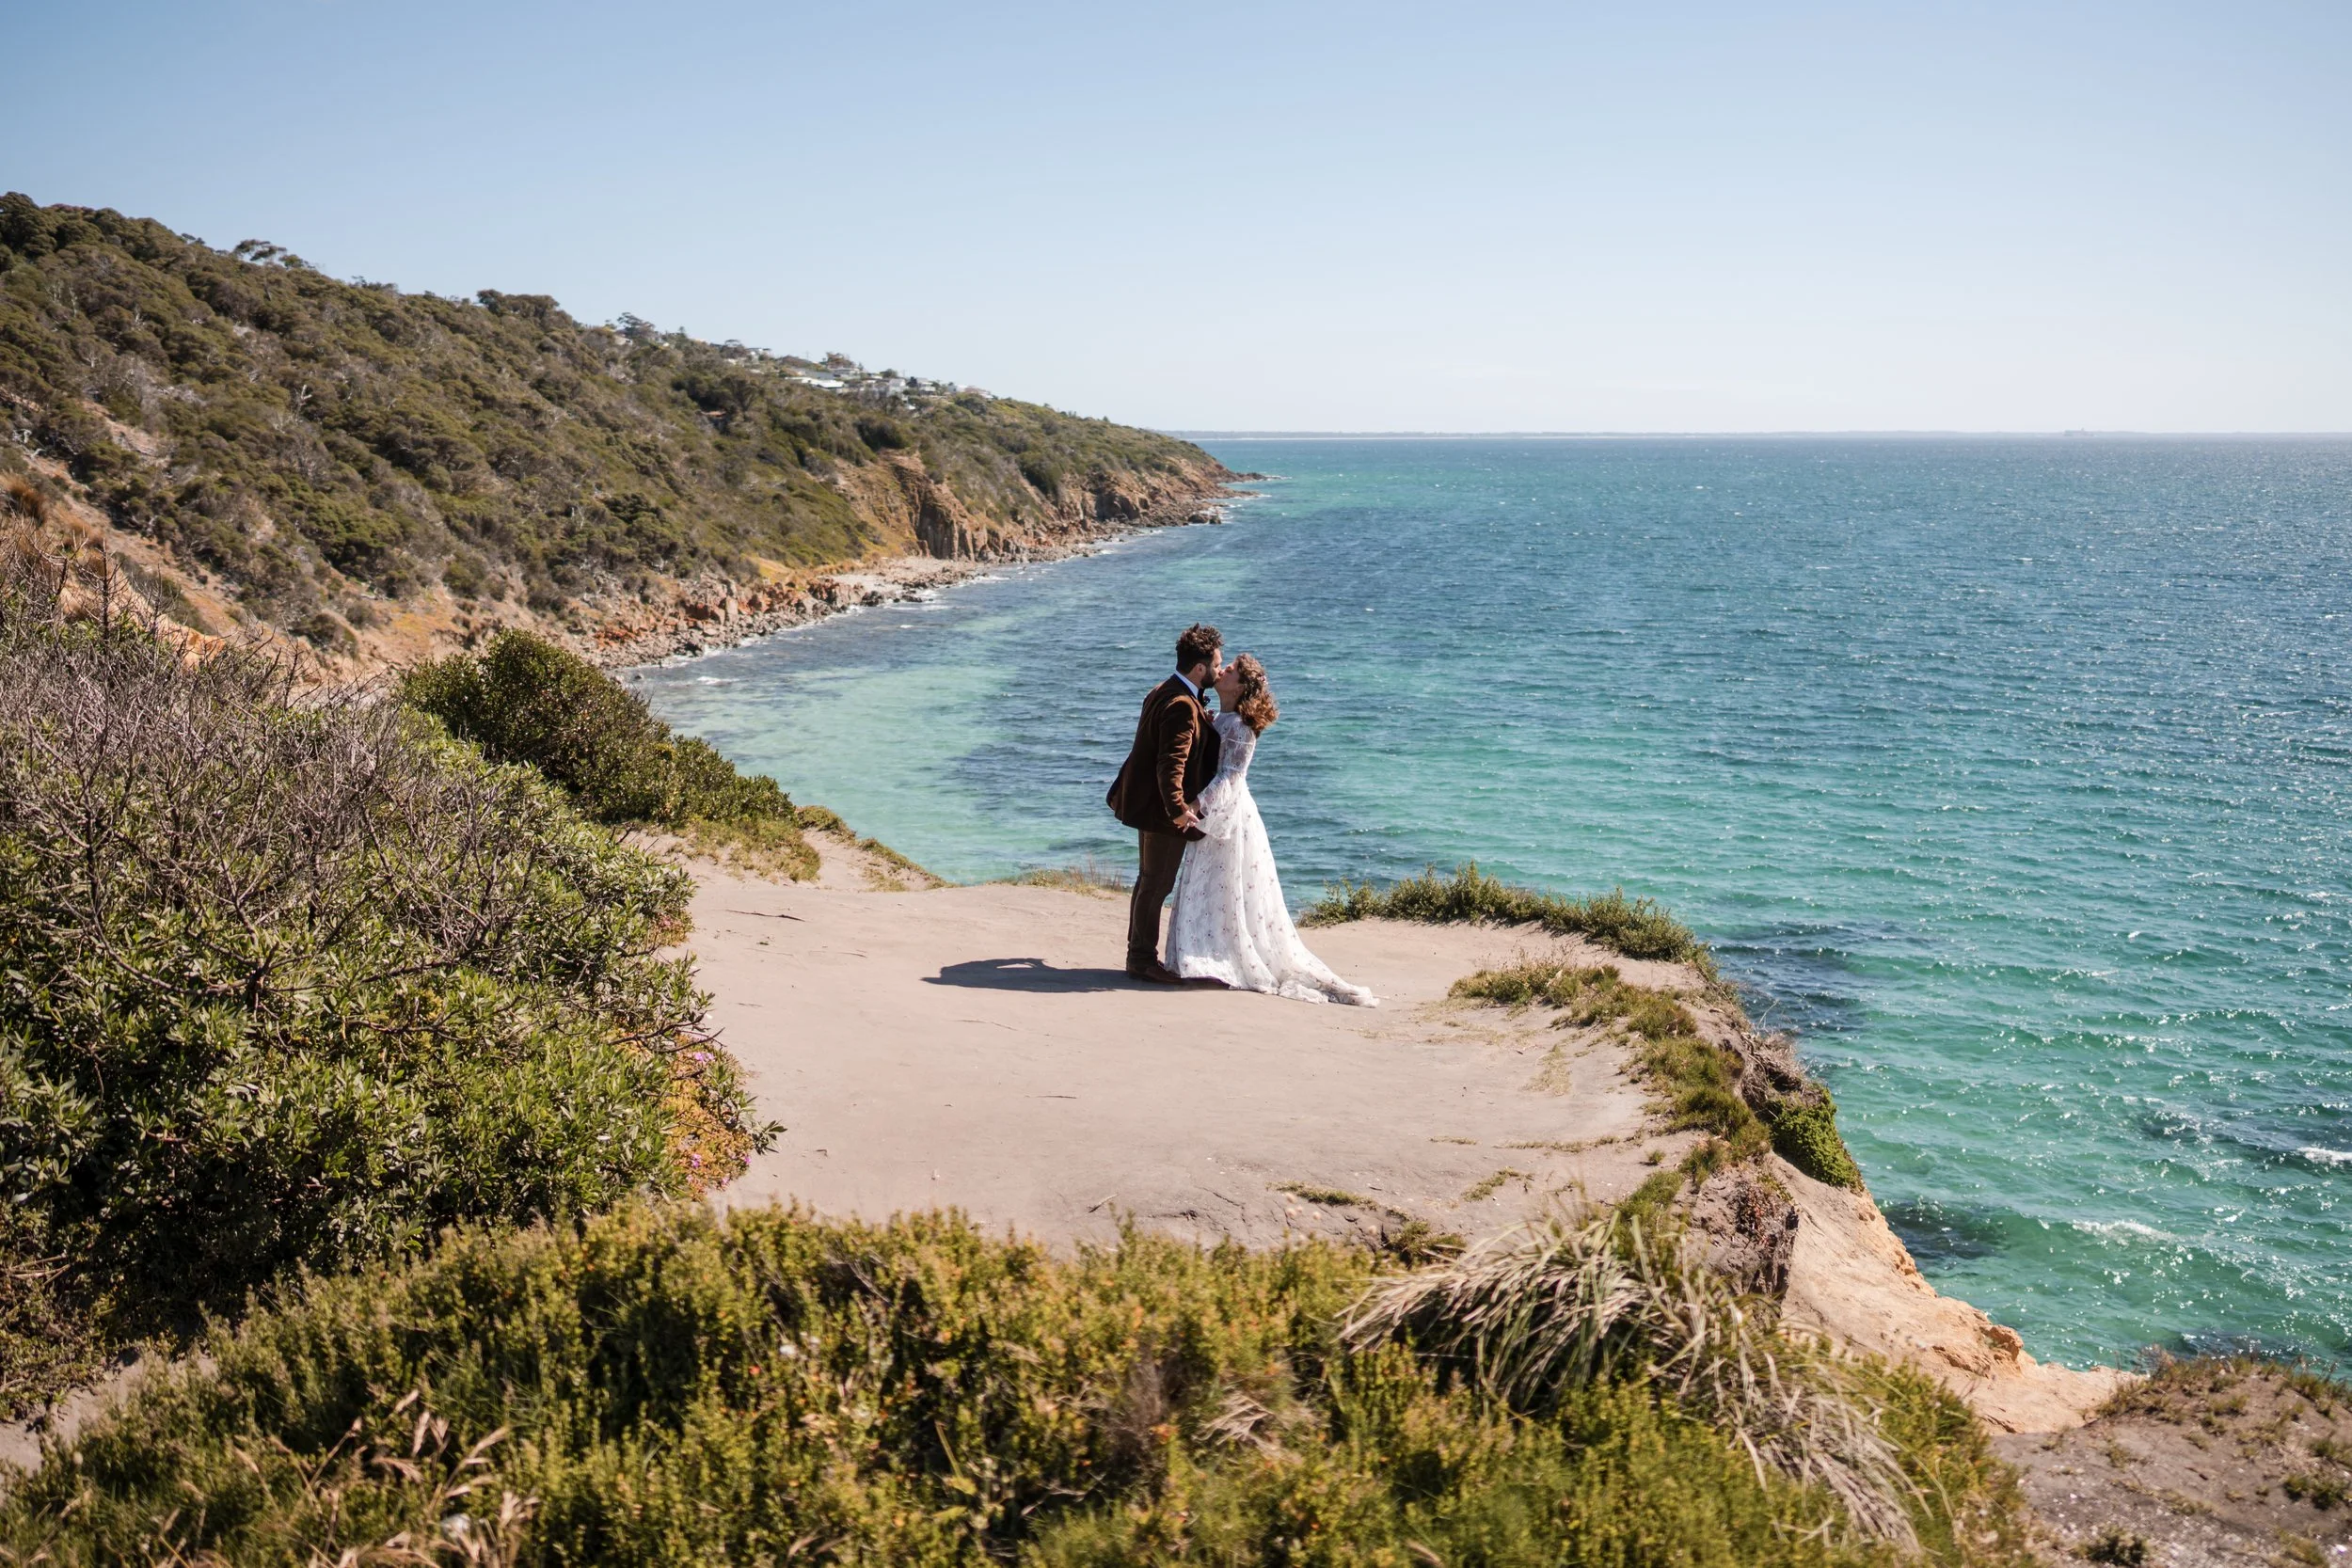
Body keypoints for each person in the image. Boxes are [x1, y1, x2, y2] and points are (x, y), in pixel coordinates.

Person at [1165, 655, 1377, 1006]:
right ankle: (1206, 955)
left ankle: (1221, 960)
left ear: (1242, 686)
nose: (1224, 670)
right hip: (1215, 814)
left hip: (1229, 816)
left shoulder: (1241, 728)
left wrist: (1195, 807)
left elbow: (1230, 776)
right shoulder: (1220, 718)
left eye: (1231, 670)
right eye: (1225, 665)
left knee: (1226, 887)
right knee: (1210, 887)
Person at [1105, 623, 1224, 984]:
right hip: (1161, 812)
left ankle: (1137, 953)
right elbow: (1169, 765)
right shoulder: (1181, 705)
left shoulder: (1164, 689)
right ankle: (1141, 959)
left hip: (1145, 804)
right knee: (1156, 884)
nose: (1220, 670)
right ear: (1200, 669)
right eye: (1217, 664)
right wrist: (1178, 810)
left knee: (1148, 881)